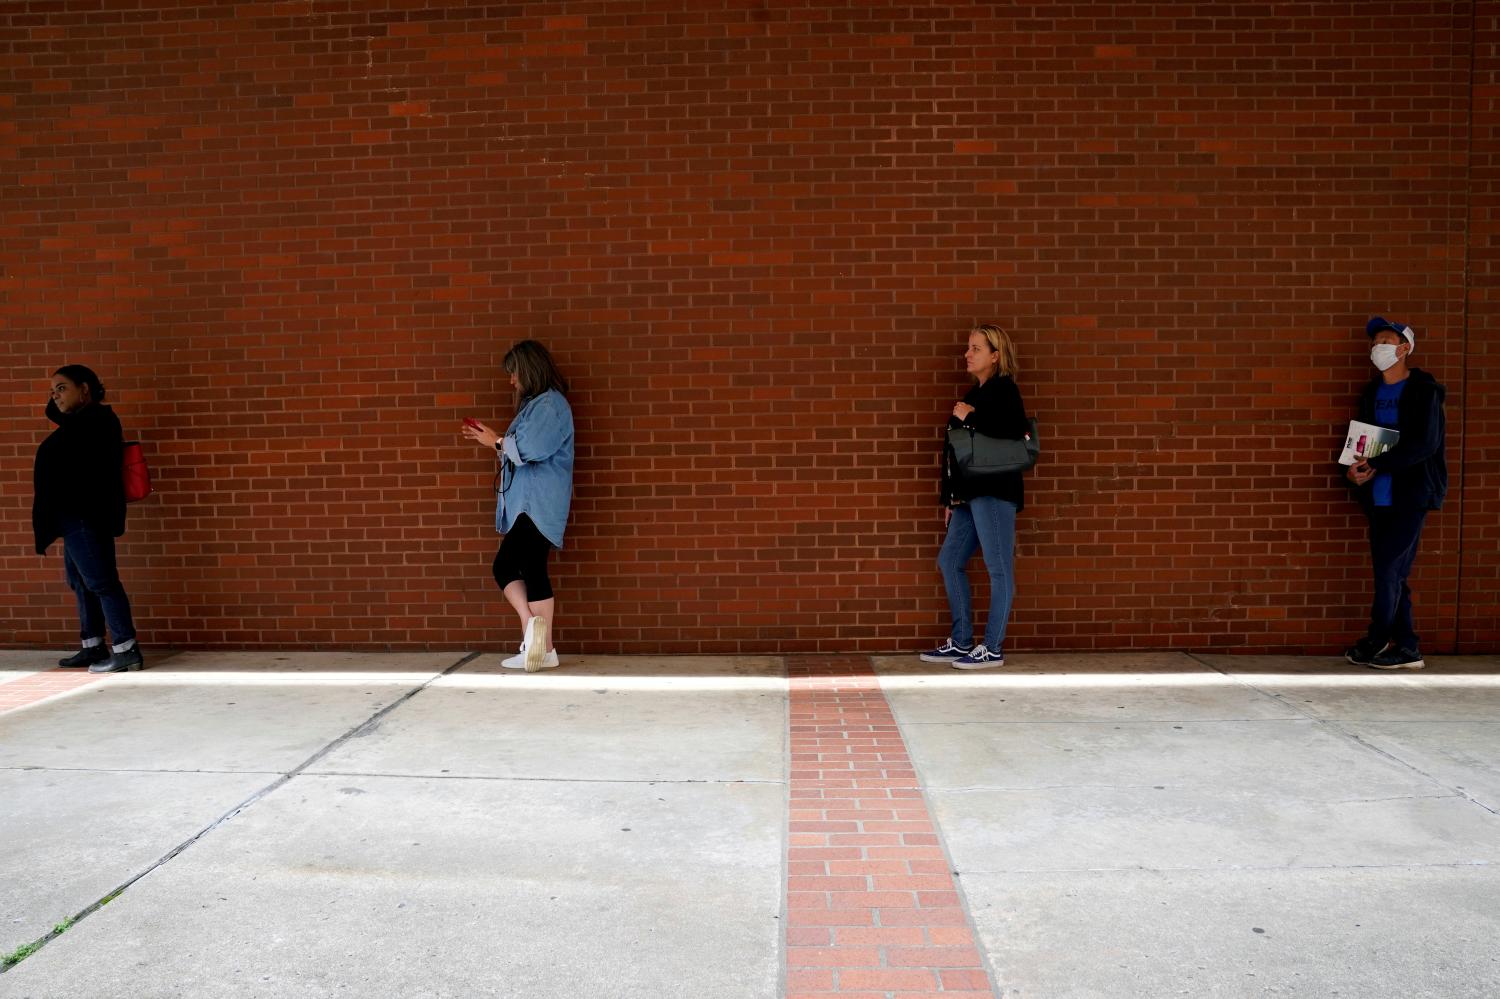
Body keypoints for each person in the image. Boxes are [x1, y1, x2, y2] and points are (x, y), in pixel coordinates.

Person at [920, 324, 1031, 670]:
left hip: (995, 494)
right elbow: (955, 454)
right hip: (968, 497)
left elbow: (1016, 431)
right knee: (949, 561)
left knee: (998, 570)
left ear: (995, 356)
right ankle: (962, 640)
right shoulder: (976, 392)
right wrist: (950, 499)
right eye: (968, 348)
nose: (967, 354)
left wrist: (973, 417)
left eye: (976, 349)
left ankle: (992, 648)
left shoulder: (1004, 390)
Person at [463, 341, 575, 672]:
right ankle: (543, 646)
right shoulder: (537, 406)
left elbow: (531, 449)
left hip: (536, 502)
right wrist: (493, 440)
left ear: (528, 371)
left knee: (514, 566)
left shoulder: (550, 406)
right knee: (522, 566)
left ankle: (535, 636)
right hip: (529, 502)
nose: (512, 381)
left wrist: (496, 440)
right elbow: (517, 449)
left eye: (514, 373)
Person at [1343, 317, 1447, 670]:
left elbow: (1426, 444)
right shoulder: (1372, 392)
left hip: (1411, 494)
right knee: (1392, 573)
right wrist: (1355, 472)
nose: (1378, 347)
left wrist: (1380, 464)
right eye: (1375, 342)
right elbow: (1362, 441)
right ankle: (1406, 645)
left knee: (1389, 569)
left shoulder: (1424, 391)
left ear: (1405, 348)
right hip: (1377, 496)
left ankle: (1378, 639)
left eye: (1386, 340)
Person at [32, 365, 144, 673]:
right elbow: (56, 414)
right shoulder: (79, 422)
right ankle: (92, 646)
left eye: (62, 388)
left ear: (85, 389)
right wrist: (61, 397)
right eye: (52, 390)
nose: (55, 396)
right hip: (72, 517)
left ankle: (126, 649)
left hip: (86, 516)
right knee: (80, 582)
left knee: (102, 582)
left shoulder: (98, 421)